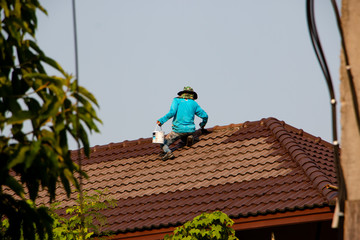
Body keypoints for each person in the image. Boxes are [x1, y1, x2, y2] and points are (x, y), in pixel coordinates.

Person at [157, 86, 208, 160]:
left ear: (182, 93)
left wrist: (161, 121)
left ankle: (168, 153)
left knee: (162, 143)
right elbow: (205, 116)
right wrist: (202, 125)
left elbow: (172, 112)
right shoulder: (194, 103)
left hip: (178, 130)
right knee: (184, 137)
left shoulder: (176, 100)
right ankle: (189, 138)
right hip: (191, 130)